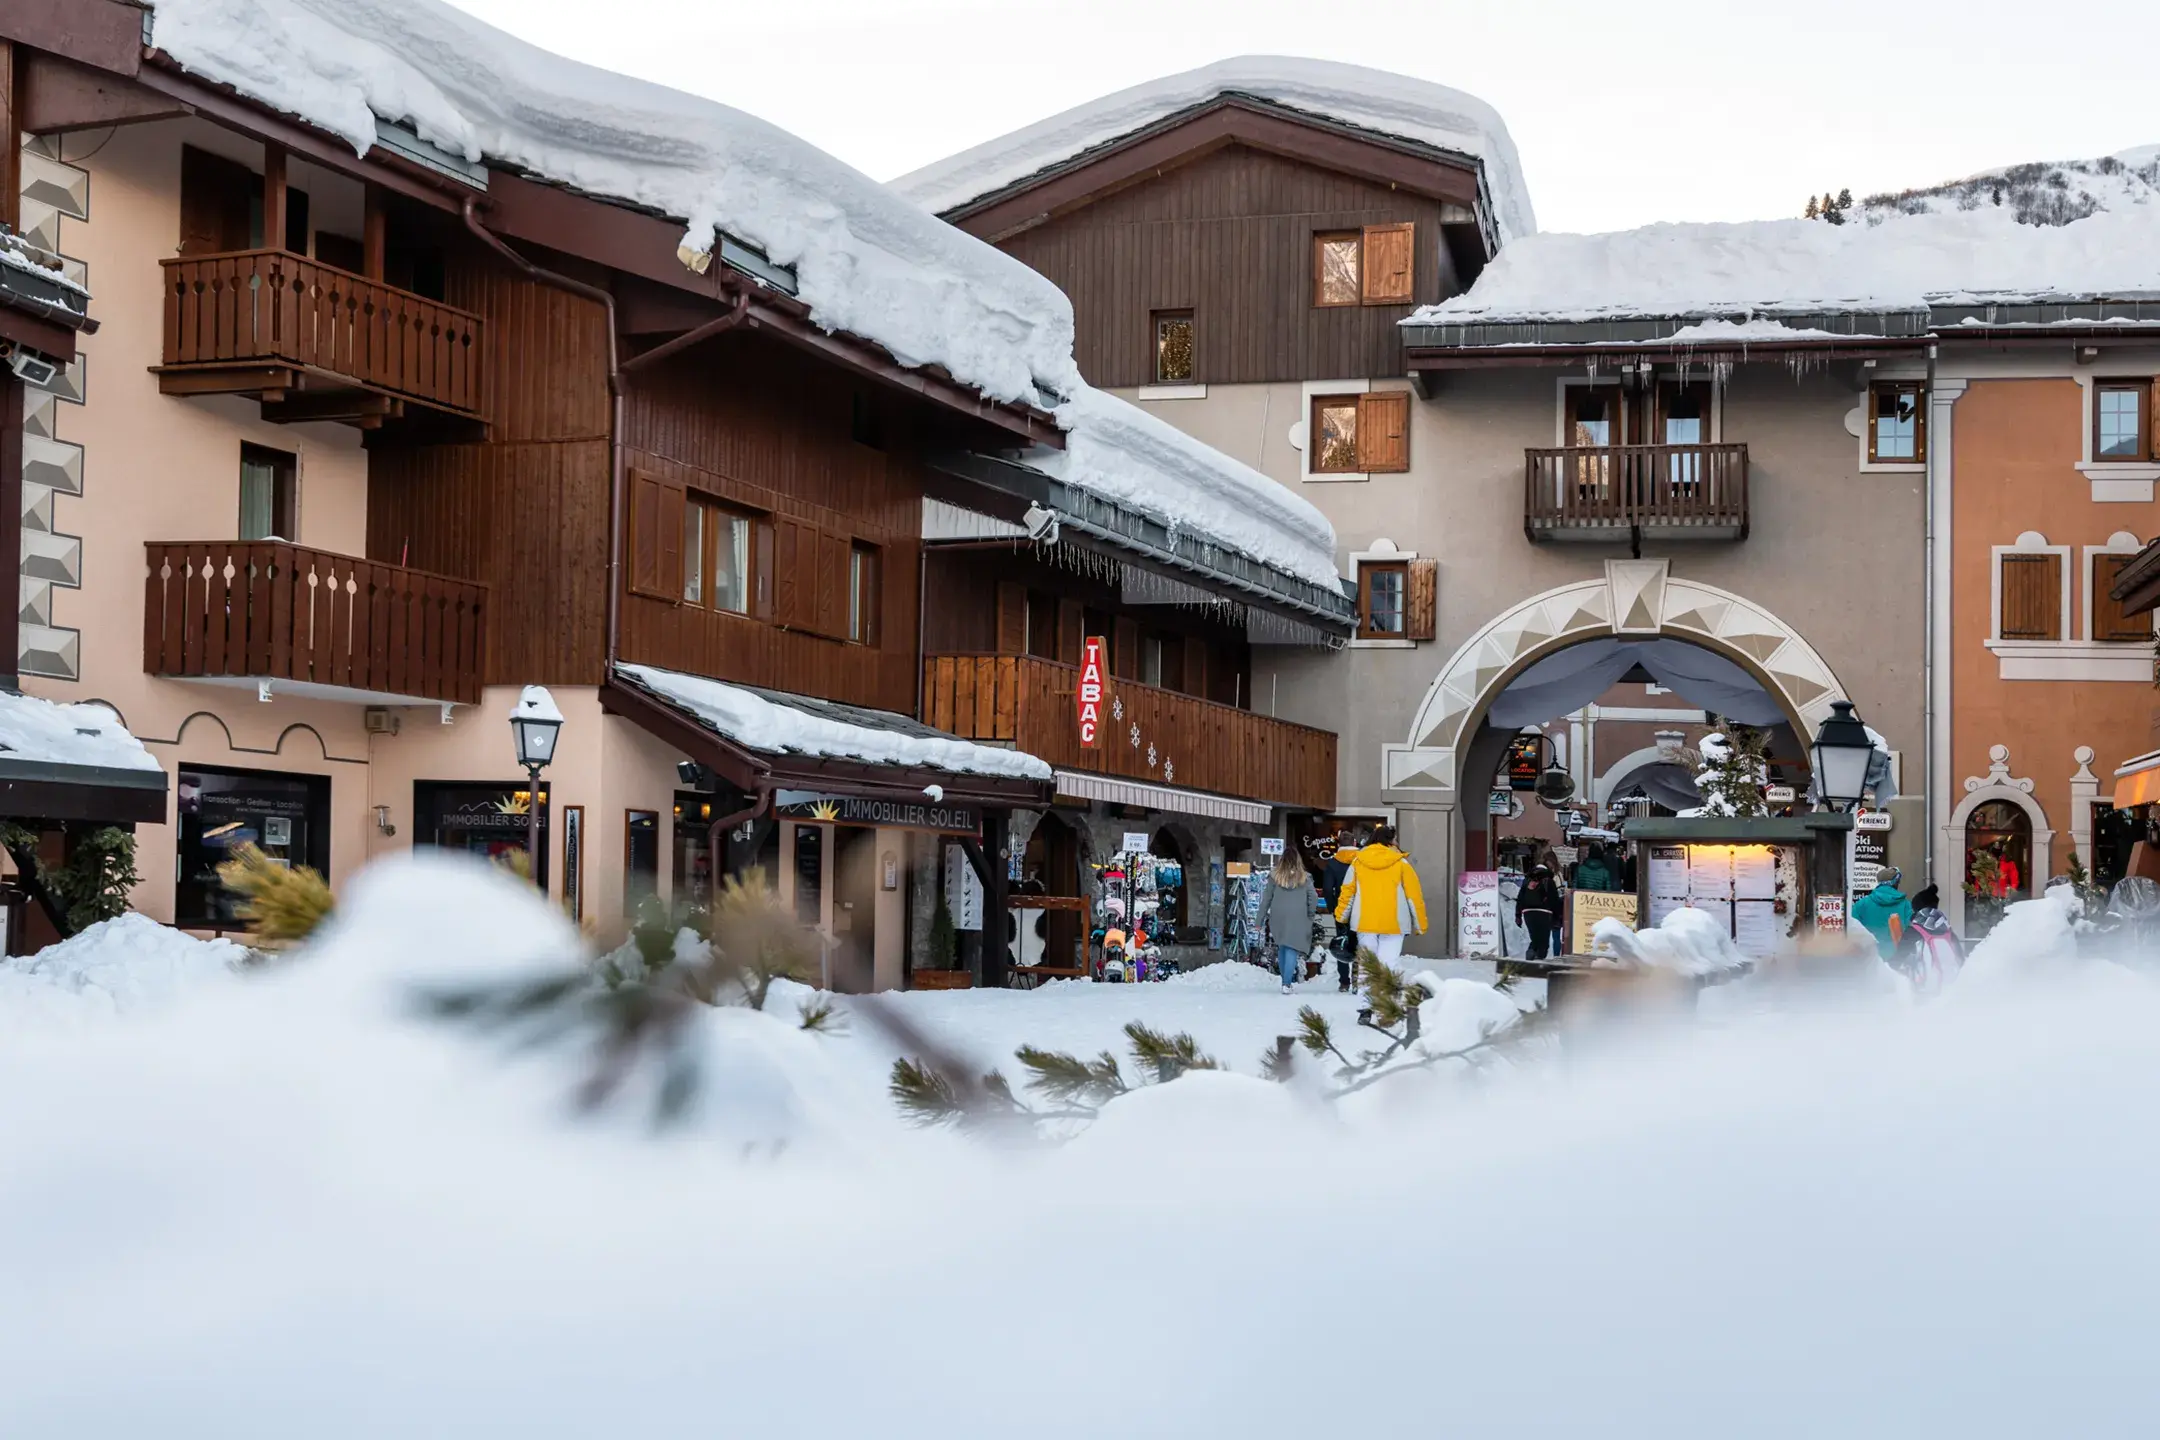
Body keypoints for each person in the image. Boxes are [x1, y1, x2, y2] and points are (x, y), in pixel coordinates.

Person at [1334, 823, 1427, 970]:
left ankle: (1366, 993)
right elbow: (1414, 896)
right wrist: (1420, 924)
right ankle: (1384, 992)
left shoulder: (1358, 862)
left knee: (1367, 967)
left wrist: (1341, 916)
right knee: (1388, 966)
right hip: (1394, 922)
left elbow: (1347, 892)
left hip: (1365, 922)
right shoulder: (1401, 864)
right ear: (1390, 841)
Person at [1259, 848, 1320, 994]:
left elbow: (1266, 898)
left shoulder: (1275, 877)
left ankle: (1284, 981)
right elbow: (1313, 897)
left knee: (1282, 946)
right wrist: (1310, 914)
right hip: (1298, 915)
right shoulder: (1305, 878)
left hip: (1278, 915)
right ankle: (1287, 983)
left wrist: (1258, 920)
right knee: (1292, 947)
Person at [1851, 865, 1914, 962]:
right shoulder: (1906, 905)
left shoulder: (1861, 904)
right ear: (1896, 882)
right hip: (1899, 959)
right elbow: (1911, 933)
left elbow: (1852, 931)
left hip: (1870, 959)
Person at [1515, 863, 1563, 961]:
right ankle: (1538, 962)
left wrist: (1518, 915)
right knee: (1544, 941)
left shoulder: (1526, 881)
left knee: (1535, 938)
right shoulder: (1549, 881)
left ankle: (1531, 952)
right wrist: (1557, 917)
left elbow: (1520, 899)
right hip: (1545, 913)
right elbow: (1554, 900)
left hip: (1528, 913)